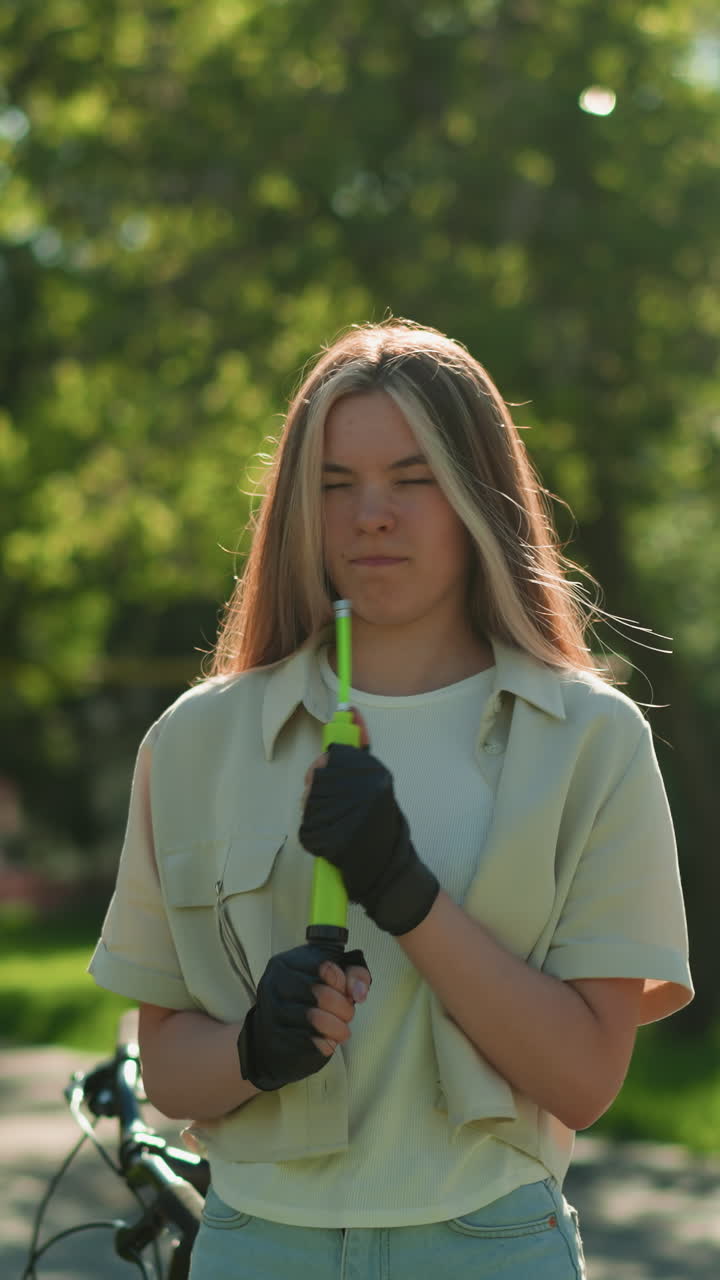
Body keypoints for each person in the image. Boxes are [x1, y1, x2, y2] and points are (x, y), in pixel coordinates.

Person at [89, 317, 692, 1279]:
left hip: (492, 1244)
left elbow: (584, 1082)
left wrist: (401, 888)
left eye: (413, 480)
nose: (372, 514)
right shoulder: (195, 741)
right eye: (335, 484)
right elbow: (165, 1071)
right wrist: (256, 1045)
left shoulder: (591, 740)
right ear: (297, 507)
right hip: (255, 1247)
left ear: (478, 497)